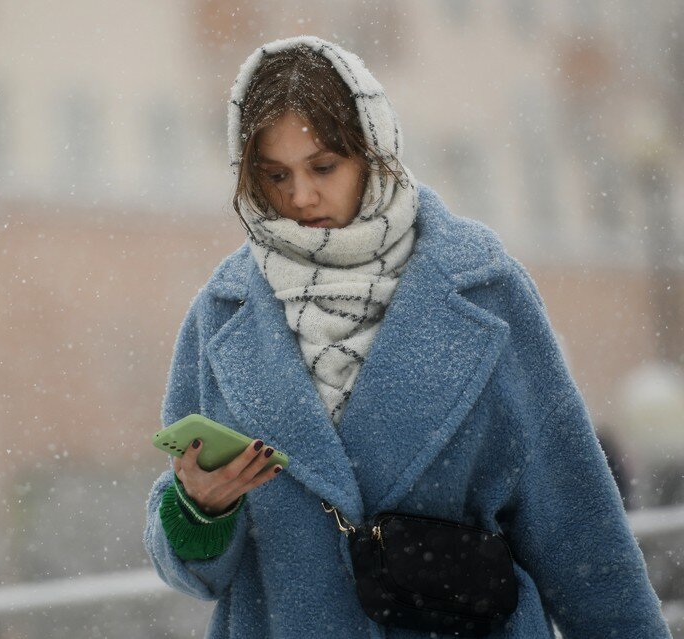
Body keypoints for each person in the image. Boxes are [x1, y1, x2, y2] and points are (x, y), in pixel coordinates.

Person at [142, 35, 671, 639]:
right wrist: (201, 511)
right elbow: (191, 573)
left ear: (373, 151)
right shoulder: (222, 313)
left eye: (323, 167)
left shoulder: (483, 288)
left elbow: (580, 532)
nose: (301, 197)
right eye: (274, 175)